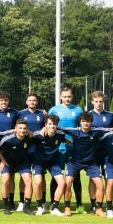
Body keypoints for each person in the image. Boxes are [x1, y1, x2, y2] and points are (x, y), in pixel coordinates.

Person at [61, 112, 111, 217]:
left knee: (100, 185)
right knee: (68, 182)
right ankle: (67, 207)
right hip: (74, 162)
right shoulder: (74, 131)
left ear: (91, 122)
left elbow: (111, 129)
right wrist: (44, 129)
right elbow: (58, 128)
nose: (85, 124)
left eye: (88, 121)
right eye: (83, 121)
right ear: (80, 122)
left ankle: (98, 208)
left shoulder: (96, 132)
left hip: (91, 163)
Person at [48, 84, 85, 212]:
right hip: (58, 147)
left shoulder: (79, 110)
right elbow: (48, 125)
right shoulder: (53, 109)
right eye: (64, 97)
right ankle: (54, 202)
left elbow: (84, 126)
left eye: (69, 96)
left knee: (75, 176)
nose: (67, 99)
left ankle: (79, 204)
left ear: (72, 96)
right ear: (60, 96)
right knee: (56, 176)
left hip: (72, 146)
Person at [31, 115, 66, 216]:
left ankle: (54, 208)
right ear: (45, 125)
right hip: (38, 163)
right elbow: (28, 137)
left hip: (53, 163)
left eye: (54, 124)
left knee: (62, 182)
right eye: (50, 124)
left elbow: (71, 142)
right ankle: (40, 206)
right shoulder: (38, 135)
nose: (52, 126)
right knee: (38, 183)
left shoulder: (60, 134)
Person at [16, 93, 46, 212]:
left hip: (39, 149)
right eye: (30, 100)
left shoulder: (42, 114)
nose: (32, 102)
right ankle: (21, 202)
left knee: (41, 176)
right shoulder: (21, 113)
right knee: (24, 177)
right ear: (26, 102)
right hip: (25, 149)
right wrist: (28, 131)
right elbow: (17, 126)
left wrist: (41, 131)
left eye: (34, 100)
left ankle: (43, 201)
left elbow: (46, 125)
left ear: (37, 102)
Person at [0, 119, 33, 215]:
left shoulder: (29, 138)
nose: (22, 130)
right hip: (8, 162)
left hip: (22, 162)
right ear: (15, 129)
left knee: (28, 180)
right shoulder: (8, 139)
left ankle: (27, 207)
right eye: (20, 128)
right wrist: (2, 160)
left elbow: (36, 136)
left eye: (24, 128)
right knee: (5, 181)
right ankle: (6, 206)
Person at [88, 90, 113, 214]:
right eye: (96, 102)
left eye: (101, 102)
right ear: (92, 102)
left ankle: (108, 205)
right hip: (93, 151)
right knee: (93, 178)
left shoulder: (110, 115)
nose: (98, 104)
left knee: (108, 178)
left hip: (108, 152)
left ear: (103, 102)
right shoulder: (87, 115)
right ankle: (93, 205)